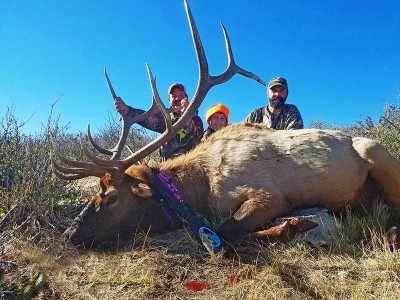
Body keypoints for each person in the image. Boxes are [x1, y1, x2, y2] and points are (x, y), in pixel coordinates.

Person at [114, 83, 204, 160]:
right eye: (174, 96)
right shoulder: (166, 120)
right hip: (168, 169)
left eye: (181, 95)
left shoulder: (196, 119)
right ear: (169, 100)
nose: (178, 99)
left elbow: (197, 136)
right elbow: (149, 119)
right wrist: (129, 111)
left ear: (187, 98)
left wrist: (187, 113)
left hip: (190, 169)